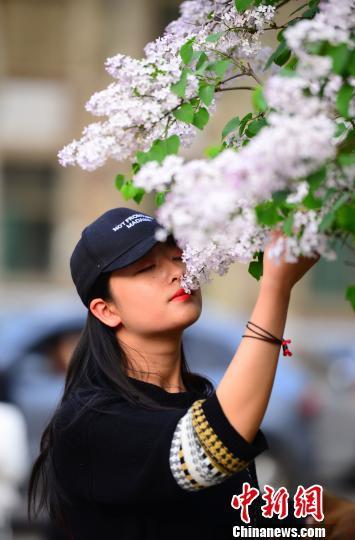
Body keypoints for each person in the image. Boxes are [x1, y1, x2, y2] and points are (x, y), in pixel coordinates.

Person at [26, 206, 333, 539]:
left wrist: (317, 523)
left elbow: (228, 520)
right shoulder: (90, 418)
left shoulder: (197, 400)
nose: (175, 273)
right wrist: (276, 287)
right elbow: (212, 449)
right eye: (147, 268)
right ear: (107, 310)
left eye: (177, 257)